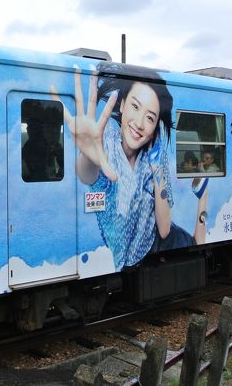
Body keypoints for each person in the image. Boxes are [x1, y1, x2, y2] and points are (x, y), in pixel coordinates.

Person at [53, 64, 208, 270]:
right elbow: (87, 175)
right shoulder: (105, 139)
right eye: (135, 107)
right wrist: (88, 156)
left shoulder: (155, 157)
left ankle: (203, 197)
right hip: (128, 260)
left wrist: (157, 170)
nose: (140, 123)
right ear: (122, 105)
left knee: (197, 244)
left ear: (154, 129)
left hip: (158, 243)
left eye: (150, 118)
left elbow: (164, 230)